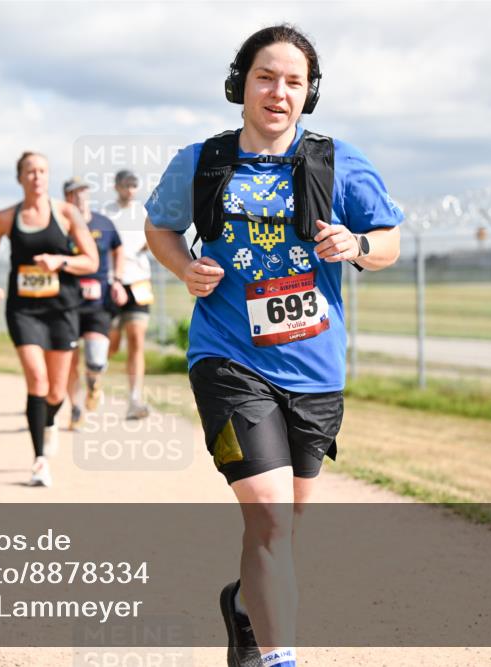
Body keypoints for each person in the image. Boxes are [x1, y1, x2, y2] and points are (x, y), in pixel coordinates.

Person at [144, 25, 402, 667]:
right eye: (266, 77)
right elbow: (159, 227)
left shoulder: (339, 161)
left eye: (294, 81)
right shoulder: (202, 162)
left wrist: (358, 246)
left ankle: (242, 609)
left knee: (283, 527)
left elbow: (388, 241)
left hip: (314, 370)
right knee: (270, 515)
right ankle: (281, 656)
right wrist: (183, 268)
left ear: (309, 93)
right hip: (227, 359)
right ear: (241, 84)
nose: (279, 92)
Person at [0, 152, 98, 487]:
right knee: (37, 380)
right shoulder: (4, 218)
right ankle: (39, 461)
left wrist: (60, 262)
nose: (37, 177)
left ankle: (48, 422)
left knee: (57, 391)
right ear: (20, 178)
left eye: (42, 171)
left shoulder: (65, 213)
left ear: (48, 177)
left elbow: (90, 261)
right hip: (23, 310)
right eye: (30, 171)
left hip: (61, 309)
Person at [62, 176, 128, 431]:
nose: (79, 196)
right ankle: (76, 408)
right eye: (74, 192)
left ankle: (94, 382)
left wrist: (118, 280)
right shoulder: (61, 225)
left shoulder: (103, 223)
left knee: (96, 359)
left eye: (83, 191)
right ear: (67, 197)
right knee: (68, 358)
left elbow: (118, 249)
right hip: (68, 300)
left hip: (98, 300)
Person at [104, 169, 153, 420]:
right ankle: (94, 384)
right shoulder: (106, 213)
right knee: (109, 344)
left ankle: (135, 399)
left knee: (136, 338)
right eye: (126, 185)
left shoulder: (143, 213)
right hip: (112, 283)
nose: (130, 189)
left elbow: (152, 241)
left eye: (134, 185)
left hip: (139, 282)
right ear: (116, 187)